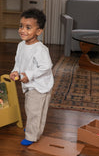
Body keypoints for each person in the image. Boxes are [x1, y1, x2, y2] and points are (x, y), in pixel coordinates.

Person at [9, 8, 54, 146]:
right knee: (32, 110)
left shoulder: (40, 49)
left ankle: (31, 135)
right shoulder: (21, 45)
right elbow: (19, 62)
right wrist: (15, 71)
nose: (23, 30)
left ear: (38, 31)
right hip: (30, 85)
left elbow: (46, 66)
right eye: (21, 26)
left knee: (34, 112)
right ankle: (33, 129)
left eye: (28, 27)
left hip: (39, 86)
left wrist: (29, 75)